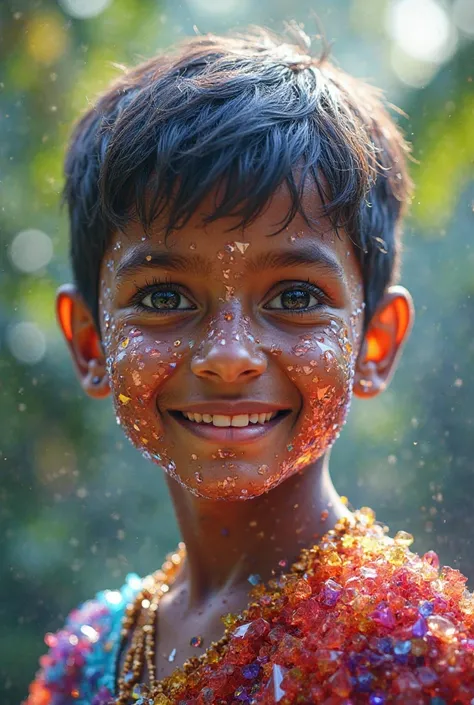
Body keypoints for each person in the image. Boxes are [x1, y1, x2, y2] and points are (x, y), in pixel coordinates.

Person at [24, 26, 474, 705]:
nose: (229, 355)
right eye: (164, 297)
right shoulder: (85, 658)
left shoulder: (429, 656)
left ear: (373, 344)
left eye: (296, 296)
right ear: (91, 343)